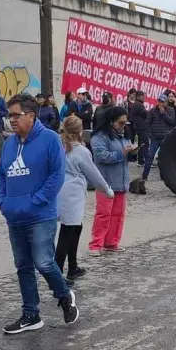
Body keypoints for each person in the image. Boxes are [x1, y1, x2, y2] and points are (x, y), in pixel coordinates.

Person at [0, 93, 78, 334]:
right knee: (23, 266)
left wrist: (37, 200)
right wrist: (2, 201)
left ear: (31, 116)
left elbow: (57, 176)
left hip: (41, 216)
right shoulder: (9, 143)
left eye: (16, 115)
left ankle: (64, 296)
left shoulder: (51, 140)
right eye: (9, 115)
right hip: (14, 216)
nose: (11, 120)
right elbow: (1, 174)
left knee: (43, 262)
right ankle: (31, 315)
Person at [56, 115, 113, 284]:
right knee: (66, 233)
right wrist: (107, 190)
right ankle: (57, 274)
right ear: (80, 131)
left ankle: (72, 266)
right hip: (73, 195)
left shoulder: (60, 146)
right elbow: (94, 174)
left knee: (75, 229)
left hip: (60, 192)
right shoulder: (81, 150)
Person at [89, 107, 134, 256]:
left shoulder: (123, 135)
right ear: (111, 121)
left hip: (121, 180)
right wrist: (122, 154)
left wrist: (132, 152)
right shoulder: (99, 137)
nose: (123, 126)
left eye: (125, 123)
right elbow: (102, 156)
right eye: (120, 123)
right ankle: (96, 244)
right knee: (103, 213)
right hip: (105, 182)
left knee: (117, 214)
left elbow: (124, 154)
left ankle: (111, 242)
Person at [142, 94, 176, 180]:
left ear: (166, 102)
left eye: (163, 102)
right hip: (155, 138)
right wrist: (150, 135)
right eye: (160, 101)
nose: (161, 103)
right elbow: (147, 123)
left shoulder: (171, 110)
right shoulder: (152, 111)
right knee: (150, 156)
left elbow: (172, 122)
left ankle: (163, 176)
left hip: (165, 138)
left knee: (163, 158)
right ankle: (145, 175)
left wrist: (163, 113)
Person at [132, 91, 149, 166]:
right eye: (142, 96)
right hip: (141, 127)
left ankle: (141, 160)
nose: (144, 97)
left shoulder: (137, 104)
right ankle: (144, 160)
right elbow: (145, 114)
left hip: (139, 126)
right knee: (145, 143)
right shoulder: (138, 105)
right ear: (138, 96)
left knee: (141, 143)